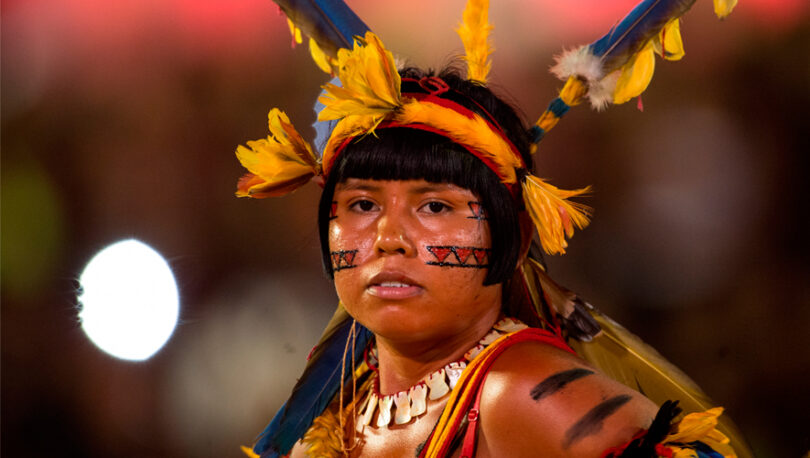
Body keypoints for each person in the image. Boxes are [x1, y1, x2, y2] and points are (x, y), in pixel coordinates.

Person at [235, 1, 748, 457]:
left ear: (516, 236)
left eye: (435, 206)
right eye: (363, 203)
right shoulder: (338, 409)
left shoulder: (525, 396)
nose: (389, 236)